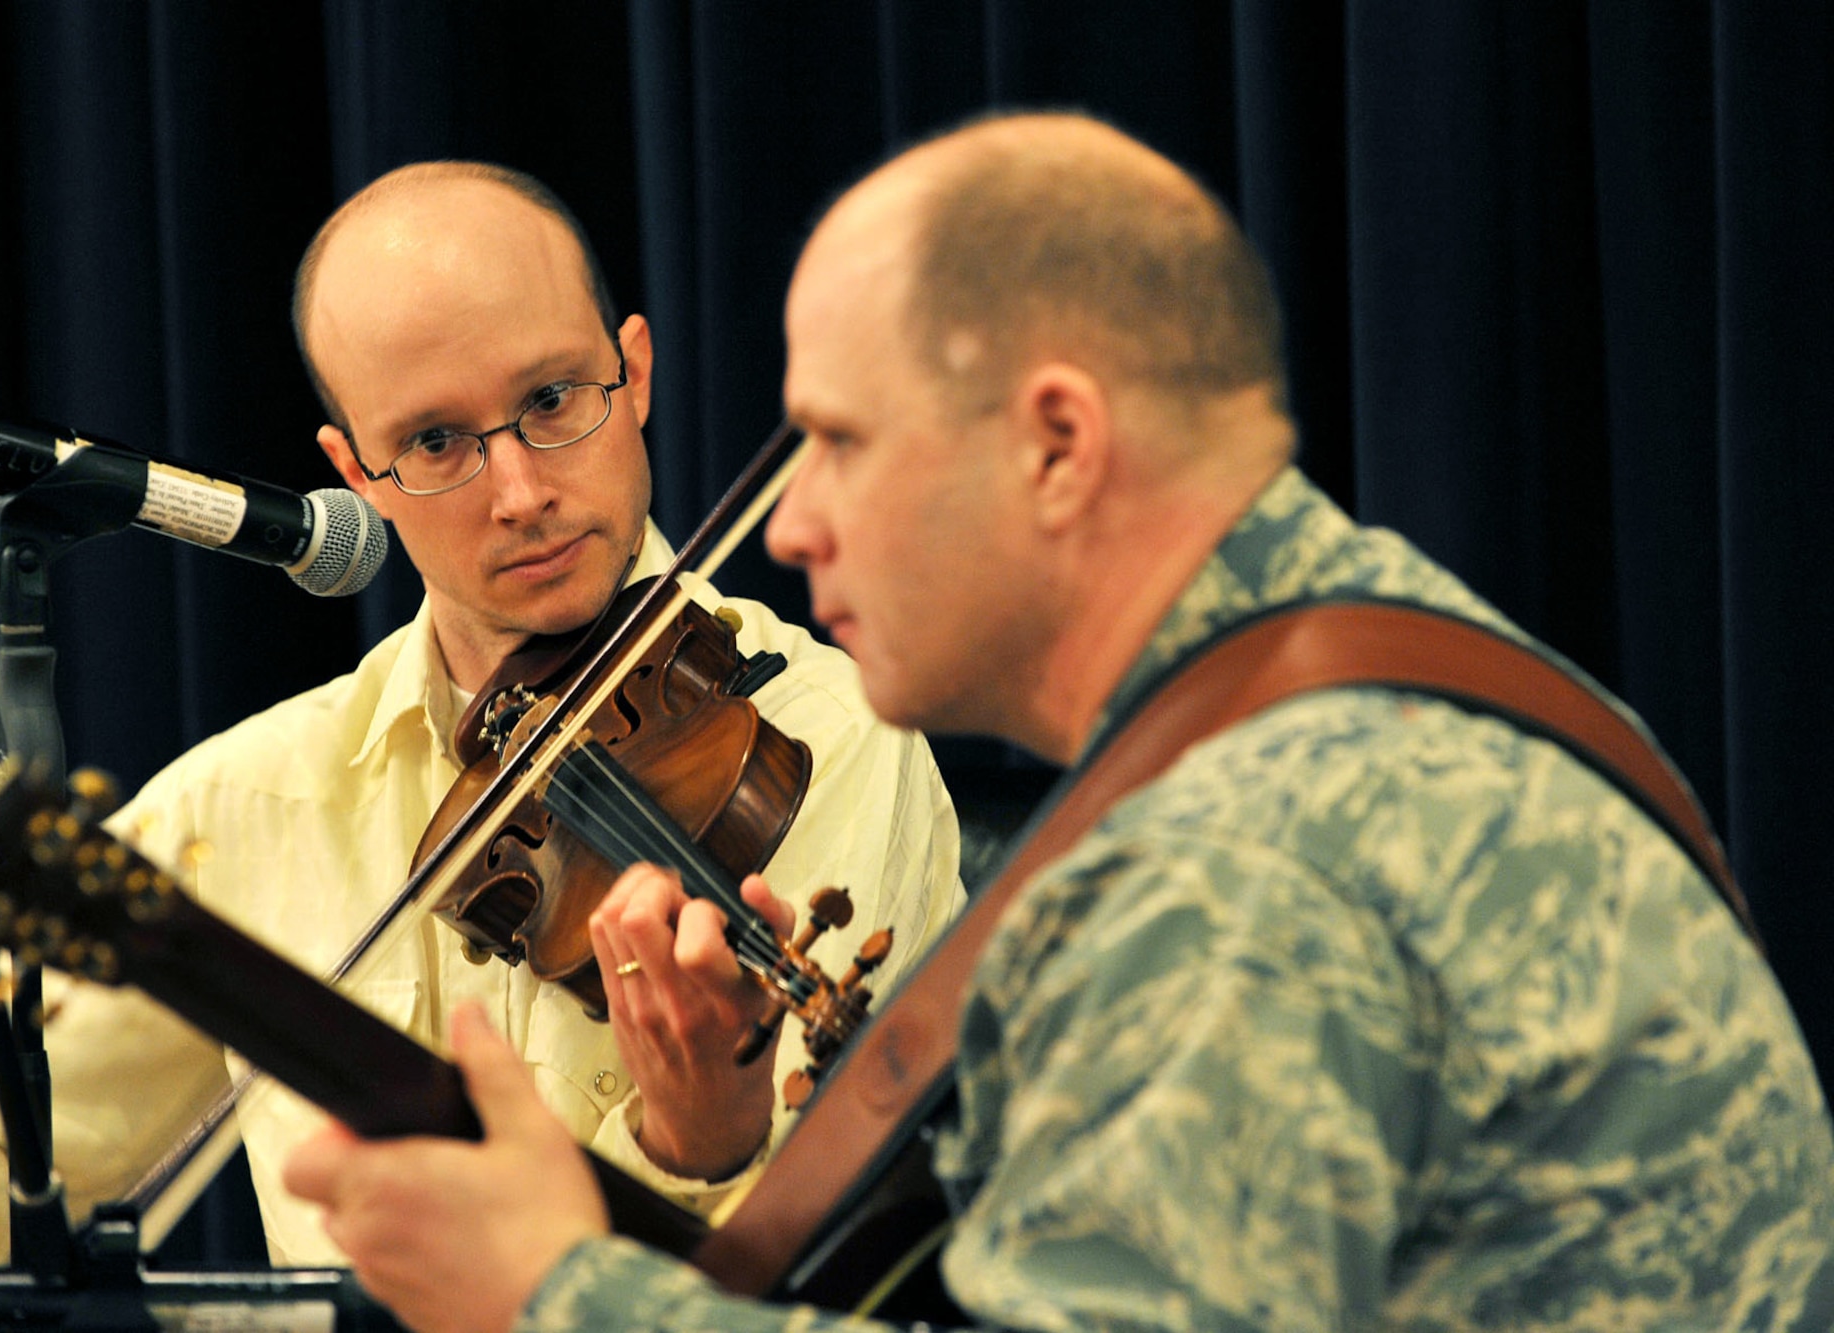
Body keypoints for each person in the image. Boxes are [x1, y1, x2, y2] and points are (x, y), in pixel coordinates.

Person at [282, 112, 1834, 1332]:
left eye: (836, 439)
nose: (796, 519)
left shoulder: (1244, 866)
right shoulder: (1391, 679)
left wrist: (552, 1292)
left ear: (1055, 445)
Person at [0, 163, 964, 1330]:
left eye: (551, 400)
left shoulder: (822, 737)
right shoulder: (261, 797)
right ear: (353, 472)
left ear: (634, 372)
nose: (519, 489)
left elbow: (812, 1274)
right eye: (433, 441)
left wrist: (689, 1145)